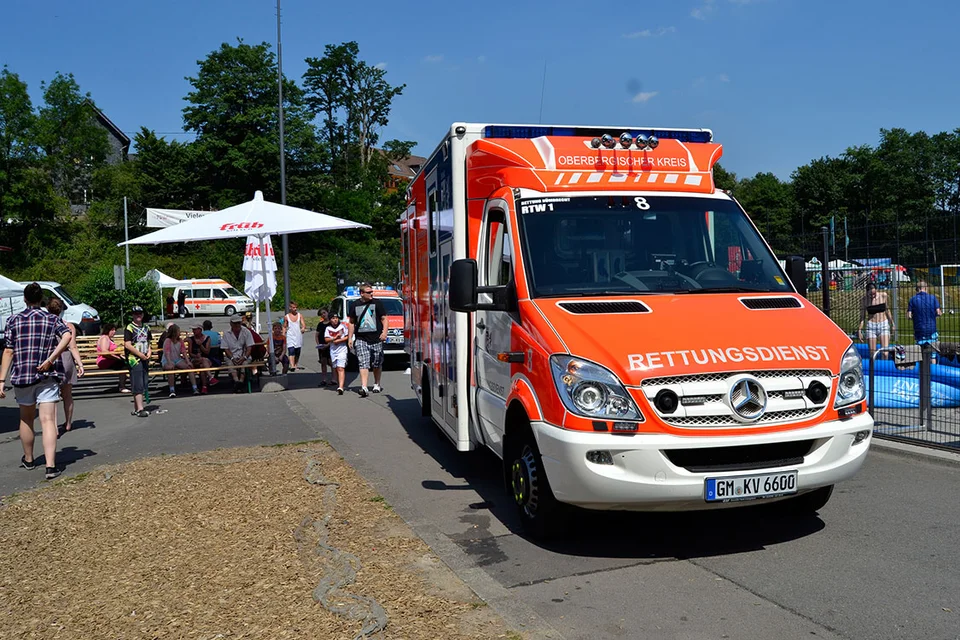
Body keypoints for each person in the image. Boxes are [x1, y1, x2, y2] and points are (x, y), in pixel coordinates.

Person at [0, 282, 73, 479]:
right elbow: (67, 335)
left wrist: (1, 380)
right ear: (41, 299)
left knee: (26, 419)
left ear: (24, 299)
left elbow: (8, 350)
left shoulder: (13, 320)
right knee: (48, 420)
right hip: (46, 375)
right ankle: (50, 465)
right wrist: (51, 358)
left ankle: (29, 459)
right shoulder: (50, 319)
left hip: (22, 375)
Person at [46, 298, 84, 432]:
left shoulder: (46, 324)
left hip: (51, 360)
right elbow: (73, 347)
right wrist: (80, 364)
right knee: (67, 395)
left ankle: (54, 428)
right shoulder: (69, 326)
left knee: (52, 397)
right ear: (62, 310)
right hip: (67, 359)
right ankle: (68, 423)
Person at [348, 283, 388, 397]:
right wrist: (350, 338)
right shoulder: (354, 305)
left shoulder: (377, 303)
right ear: (362, 293)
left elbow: (384, 319)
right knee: (363, 362)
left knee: (377, 363)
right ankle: (364, 387)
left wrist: (384, 333)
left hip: (376, 338)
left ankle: (376, 384)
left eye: (372, 292)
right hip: (361, 338)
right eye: (369, 292)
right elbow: (351, 322)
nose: (371, 294)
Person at [124, 306, 153, 417]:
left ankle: (137, 408)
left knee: (144, 381)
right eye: (136, 314)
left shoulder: (146, 328)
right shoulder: (129, 327)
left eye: (140, 313)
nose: (138, 315)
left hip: (145, 357)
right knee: (138, 383)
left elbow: (148, 342)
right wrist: (139, 354)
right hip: (134, 359)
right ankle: (140, 409)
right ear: (132, 315)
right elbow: (127, 344)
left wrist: (149, 352)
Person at [857, 282, 895, 357]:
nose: (873, 296)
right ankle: (873, 367)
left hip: (883, 324)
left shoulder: (883, 296)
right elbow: (862, 316)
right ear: (867, 292)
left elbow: (887, 310)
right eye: (870, 294)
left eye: (874, 293)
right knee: (872, 353)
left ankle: (885, 368)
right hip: (871, 326)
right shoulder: (864, 300)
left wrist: (892, 323)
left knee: (885, 353)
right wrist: (859, 330)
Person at [161, 324, 198, 397]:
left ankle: (195, 388)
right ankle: (172, 389)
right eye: (178, 331)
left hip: (177, 359)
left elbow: (184, 352)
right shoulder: (168, 341)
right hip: (167, 359)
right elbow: (166, 353)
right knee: (170, 369)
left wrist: (188, 362)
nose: (179, 332)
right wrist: (169, 362)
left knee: (189, 367)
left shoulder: (180, 341)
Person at [222, 313, 254, 393]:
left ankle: (240, 381)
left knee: (245, 363)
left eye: (238, 323)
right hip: (231, 356)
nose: (237, 325)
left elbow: (249, 347)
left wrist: (244, 357)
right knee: (230, 363)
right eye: (235, 323)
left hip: (244, 355)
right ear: (231, 324)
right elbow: (226, 349)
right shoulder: (226, 333)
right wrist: (232, 358)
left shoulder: (246, 332)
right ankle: (237, 381)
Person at [96, 324, 129, 393]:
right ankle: (122, 386)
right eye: (112, 330)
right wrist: (117, 357)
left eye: (114, 330)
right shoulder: (104, 338)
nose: (114, 332)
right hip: (104, 360)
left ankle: (123, 383)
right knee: (124, 366)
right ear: (107, 330)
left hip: (111, 359)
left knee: (127, 363)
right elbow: (104, 352)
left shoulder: (109, 339)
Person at [325, 312, 349, 395]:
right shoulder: (328, 328)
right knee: (335, 367)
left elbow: (347, 336)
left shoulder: (342, 326)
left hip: (342, 349)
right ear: (330, 320)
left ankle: (341, 387)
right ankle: (338, 382)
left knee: (340, 368)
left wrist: (339, 340)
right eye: (333, 318)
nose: (335, 320)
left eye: (336, 318)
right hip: (333, 351)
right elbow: (326, 339)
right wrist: (334, 338)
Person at [185, 324, 213, 393]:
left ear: (200, 330)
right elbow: (190, 353)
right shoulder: (191, 339)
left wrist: (200, 345)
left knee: (203, 365)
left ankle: (204, 387)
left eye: (195, 329)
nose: (193, 331)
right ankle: (210, 377)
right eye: (193, 330)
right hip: (195, 360)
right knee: (203, 360)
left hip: (205, 359)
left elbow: (207, 352)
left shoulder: (207, 338)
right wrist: (196, 356)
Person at [283, 301, 306, 371]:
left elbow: (303, 324)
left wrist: (303, 328)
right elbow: (284, 326)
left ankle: (296, 364)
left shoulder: (299, 315)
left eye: (296, 307)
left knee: (297, 351)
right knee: (291, 350)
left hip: (298, 335)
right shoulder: (286, 317)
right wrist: (283, 335)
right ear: (290, 308)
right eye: (293, 307)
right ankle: (292, 365)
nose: (295, 309)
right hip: (290, 335)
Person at [316, 309, 332, 386]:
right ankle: (324, 379)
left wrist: (328, 344)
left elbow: (334, 335)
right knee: (323, 362)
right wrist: (319, 344)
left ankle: (334, 379)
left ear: (327, 313)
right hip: (322, 346)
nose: (323, 315)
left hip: (330, 346)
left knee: (332, 363)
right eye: (321, 314)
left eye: (324, 313)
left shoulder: (331, 323)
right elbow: (316, 335)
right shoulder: (320, 324)